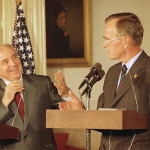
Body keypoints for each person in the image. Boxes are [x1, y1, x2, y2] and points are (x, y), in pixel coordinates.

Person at [59, 12, 150, 150]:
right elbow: (103, 119)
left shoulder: (147, 69)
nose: (104, 45)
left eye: (108, 39)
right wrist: (81, 111)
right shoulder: (112, 73)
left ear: (125, 41)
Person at [0, 44, 70, 150]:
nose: (13, 63)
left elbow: (69, 115)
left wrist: (65, 95)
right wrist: (4, 102)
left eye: (14, 57)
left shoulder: (43, 83)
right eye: (5, 61)